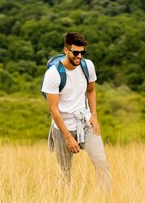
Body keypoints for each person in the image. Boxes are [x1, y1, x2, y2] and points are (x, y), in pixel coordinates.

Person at [41, 32, 112, 190]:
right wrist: (68, 137)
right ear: (66, 50)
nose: (79, 56)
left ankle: (106, 202)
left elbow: (91, 91)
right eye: (75, 52)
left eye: (83, 52)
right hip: (62, 128)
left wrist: (94, 115)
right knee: (65, 172)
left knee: (101, 162)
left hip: (84, 122)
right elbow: (54, 110)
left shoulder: (88, 66)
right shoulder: (53, 75)